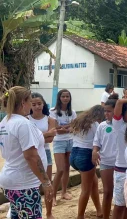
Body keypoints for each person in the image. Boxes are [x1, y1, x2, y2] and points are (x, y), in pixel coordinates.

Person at [0, 86, 54, 219]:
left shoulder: (5, 121)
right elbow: (31, 156)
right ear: (23, 102)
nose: (31, 104)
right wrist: (46, 181)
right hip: (23, 184)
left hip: (13, 179)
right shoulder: (23, 123)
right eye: (30, 101)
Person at [69, 105, 105, 219]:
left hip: (74, 155)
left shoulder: (80, 122)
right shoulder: (96, 125)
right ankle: (80, 216)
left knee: (93, 182)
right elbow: (100, 143)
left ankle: (99, 210)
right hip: (85, 156)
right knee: (86, 190)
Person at [28, 92, 57, 218]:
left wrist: (36, 136)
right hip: (31, 153)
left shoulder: (50, 119)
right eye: (33, 104)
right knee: (32, 184)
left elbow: (50, 139)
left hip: (45, 152)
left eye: (39, 104)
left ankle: (49, 212)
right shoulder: (26, 120)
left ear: (43, 104)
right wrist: (45, 134)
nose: (37, 107)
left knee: (47, 183)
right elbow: (29, 141)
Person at [92, 94, 119, 219]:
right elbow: (97, 142)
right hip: (106, 162)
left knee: (121, 194)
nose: (106, 113)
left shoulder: (124, 125)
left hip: (121, 164)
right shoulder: (102, 126)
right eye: (105, 111)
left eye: (109, 111)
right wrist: (94, 151)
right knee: (107, 192)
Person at [49, 89, 77, 205]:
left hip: (70, 141)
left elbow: (74, 127)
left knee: (66, 169)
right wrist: (67, 128)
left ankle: (64, 192)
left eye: (67, 96)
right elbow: (56, 130)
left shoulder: (73, 112)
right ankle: (53, 195)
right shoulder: (53, 111)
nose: (65, 98)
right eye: (63, 96)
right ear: (59, 98)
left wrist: (63, 128)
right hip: (59, 142)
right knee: (60, 169)